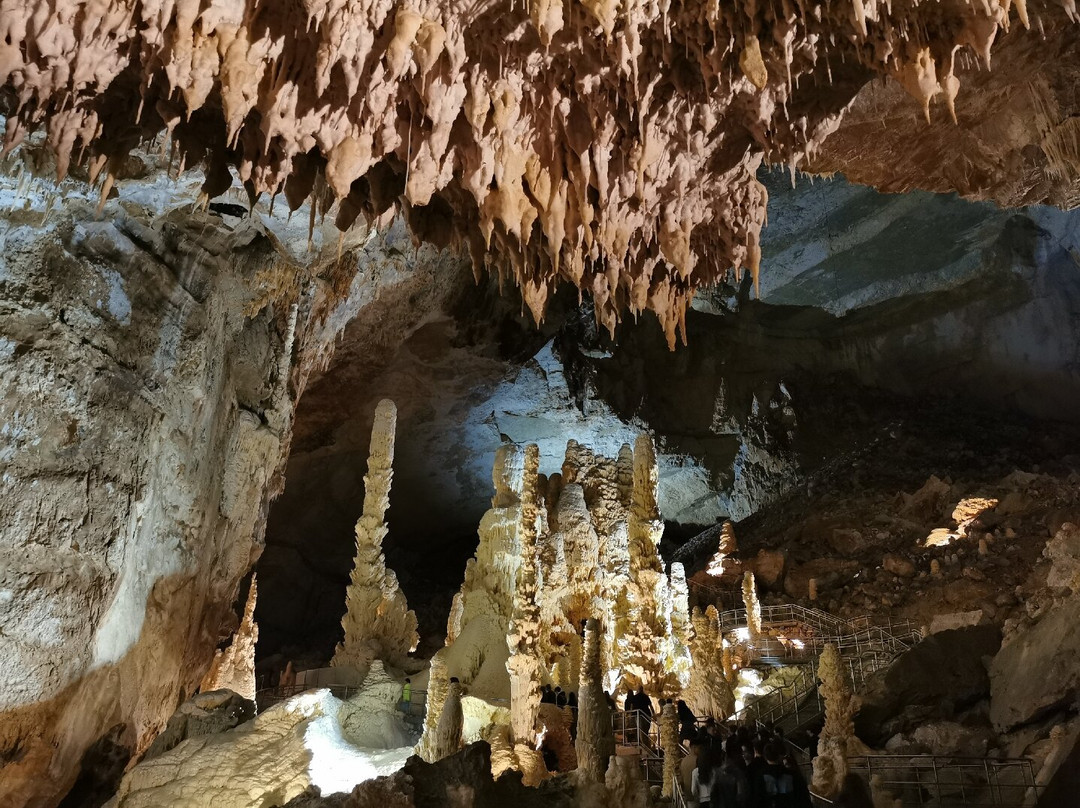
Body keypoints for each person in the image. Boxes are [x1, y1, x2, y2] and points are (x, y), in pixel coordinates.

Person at [758, 742, 796, 807]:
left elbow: (758, 798)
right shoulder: (790, 773)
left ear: (765, 757)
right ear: (779, 755)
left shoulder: (761, 775)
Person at [681, 740, 702, 807]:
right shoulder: (698, 760)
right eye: (699, 748)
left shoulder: (683, 760)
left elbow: (681, 778)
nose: (700, 750)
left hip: (687, 795)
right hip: (698, 796)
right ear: (694, 747)